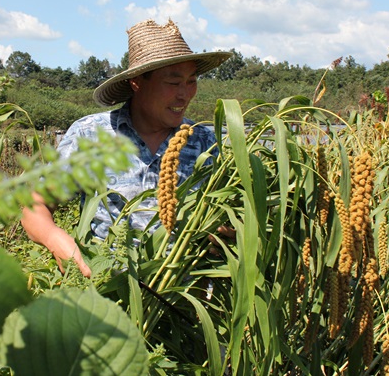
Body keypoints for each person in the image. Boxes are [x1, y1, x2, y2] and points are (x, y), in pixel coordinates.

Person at [21, 19, 232, 277]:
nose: (185, 94)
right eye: (173, 83)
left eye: (191, 81)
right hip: (105, 295)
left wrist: (226, 232)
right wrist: (57, 241)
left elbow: (226, 219)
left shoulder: (204, 143)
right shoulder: (90, 136)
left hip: (181, 303)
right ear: (137, 83)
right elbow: (34, 208)